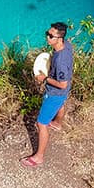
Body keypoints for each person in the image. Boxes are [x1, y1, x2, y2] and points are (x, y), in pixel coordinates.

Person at [20, 21, 73, 168]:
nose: (47, 38)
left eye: (51, 36)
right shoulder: (66, 45)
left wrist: (44, 78)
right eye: (47, 34)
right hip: (62, 94)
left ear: (59, 38)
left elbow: (63, 83)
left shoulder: (61, 60)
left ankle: (39, 157)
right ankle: (57, 123)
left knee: (41, 123)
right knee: (61, 104)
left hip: (55, 92)